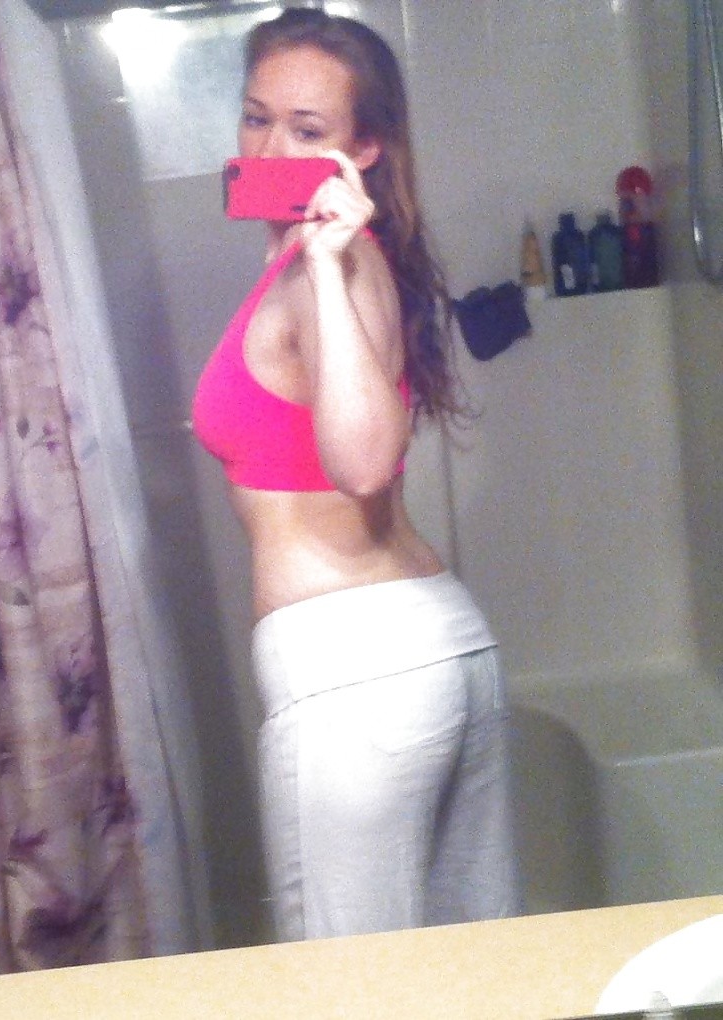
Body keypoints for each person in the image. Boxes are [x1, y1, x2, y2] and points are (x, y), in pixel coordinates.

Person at [191, 7, 521, 942]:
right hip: (435, 648)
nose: (269, 148)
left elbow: (367, 462)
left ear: (364, 148)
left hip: (355, 674)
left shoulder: (332, 267)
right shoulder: (319, 264)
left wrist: (327, 269)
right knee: (474, 975)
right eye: (256, 118)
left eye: (307, 130)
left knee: (349, 988)